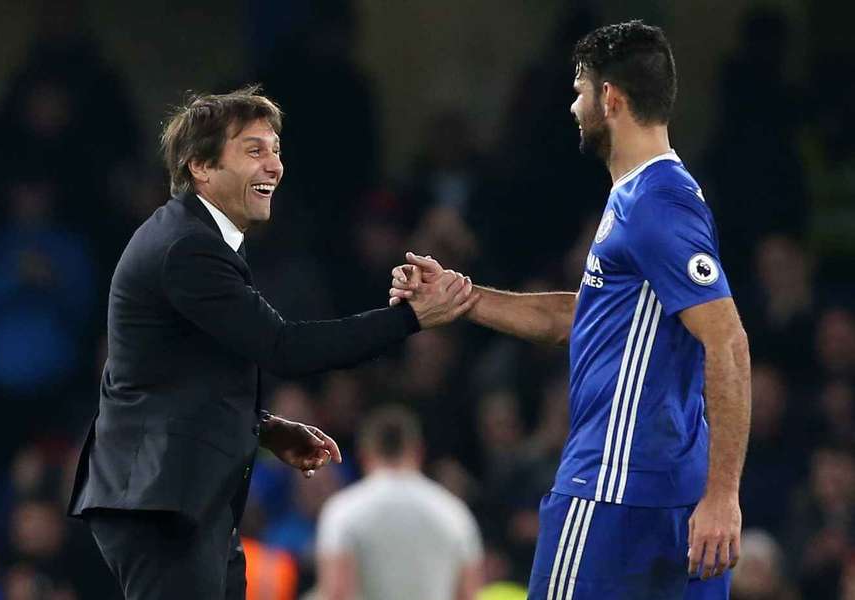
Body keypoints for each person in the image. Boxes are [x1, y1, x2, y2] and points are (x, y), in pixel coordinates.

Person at [67, 85, 477, 600]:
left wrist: (260, 427)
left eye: (276, 150)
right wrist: (412, 318)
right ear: (201, 166)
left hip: (183, 500)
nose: (274, 166)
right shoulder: (188, 247)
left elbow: (175, 373)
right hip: (161, 502)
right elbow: (285, 348)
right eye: (254, 150)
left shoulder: (196, 239)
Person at [391, 21, 751, 600]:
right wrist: (466, 297)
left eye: (580, 89)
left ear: (610, 98)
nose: (573, 104)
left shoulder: (653, 204)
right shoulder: (648, 196)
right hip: (666, 490)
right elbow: (584, 318)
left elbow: (728, 342)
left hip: (613, 490)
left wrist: (724, 495)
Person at [315, 405, 483, 600]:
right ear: (419, 451)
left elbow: (336, 594)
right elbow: (468, 595)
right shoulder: (454, 513)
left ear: (364, 453)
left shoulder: (344, 512)